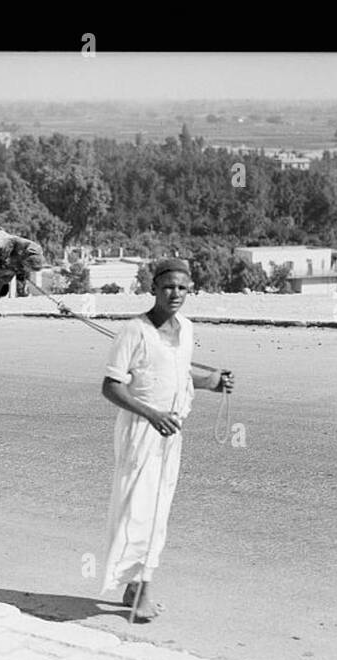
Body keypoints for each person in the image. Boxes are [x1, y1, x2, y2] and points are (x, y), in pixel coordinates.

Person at [100, 258, 235, 621]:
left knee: (158, 512)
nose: (175, 294)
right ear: (154, 289)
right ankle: (141, 590)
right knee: (138, 509)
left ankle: (135, 586)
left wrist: (212, 382)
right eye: (168, 287)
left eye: (182, 288)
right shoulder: (134, 331)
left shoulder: (186, 329)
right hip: (141, 432)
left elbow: (177, 370)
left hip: (169, 431)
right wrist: (151, 414)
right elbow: (111, 387)